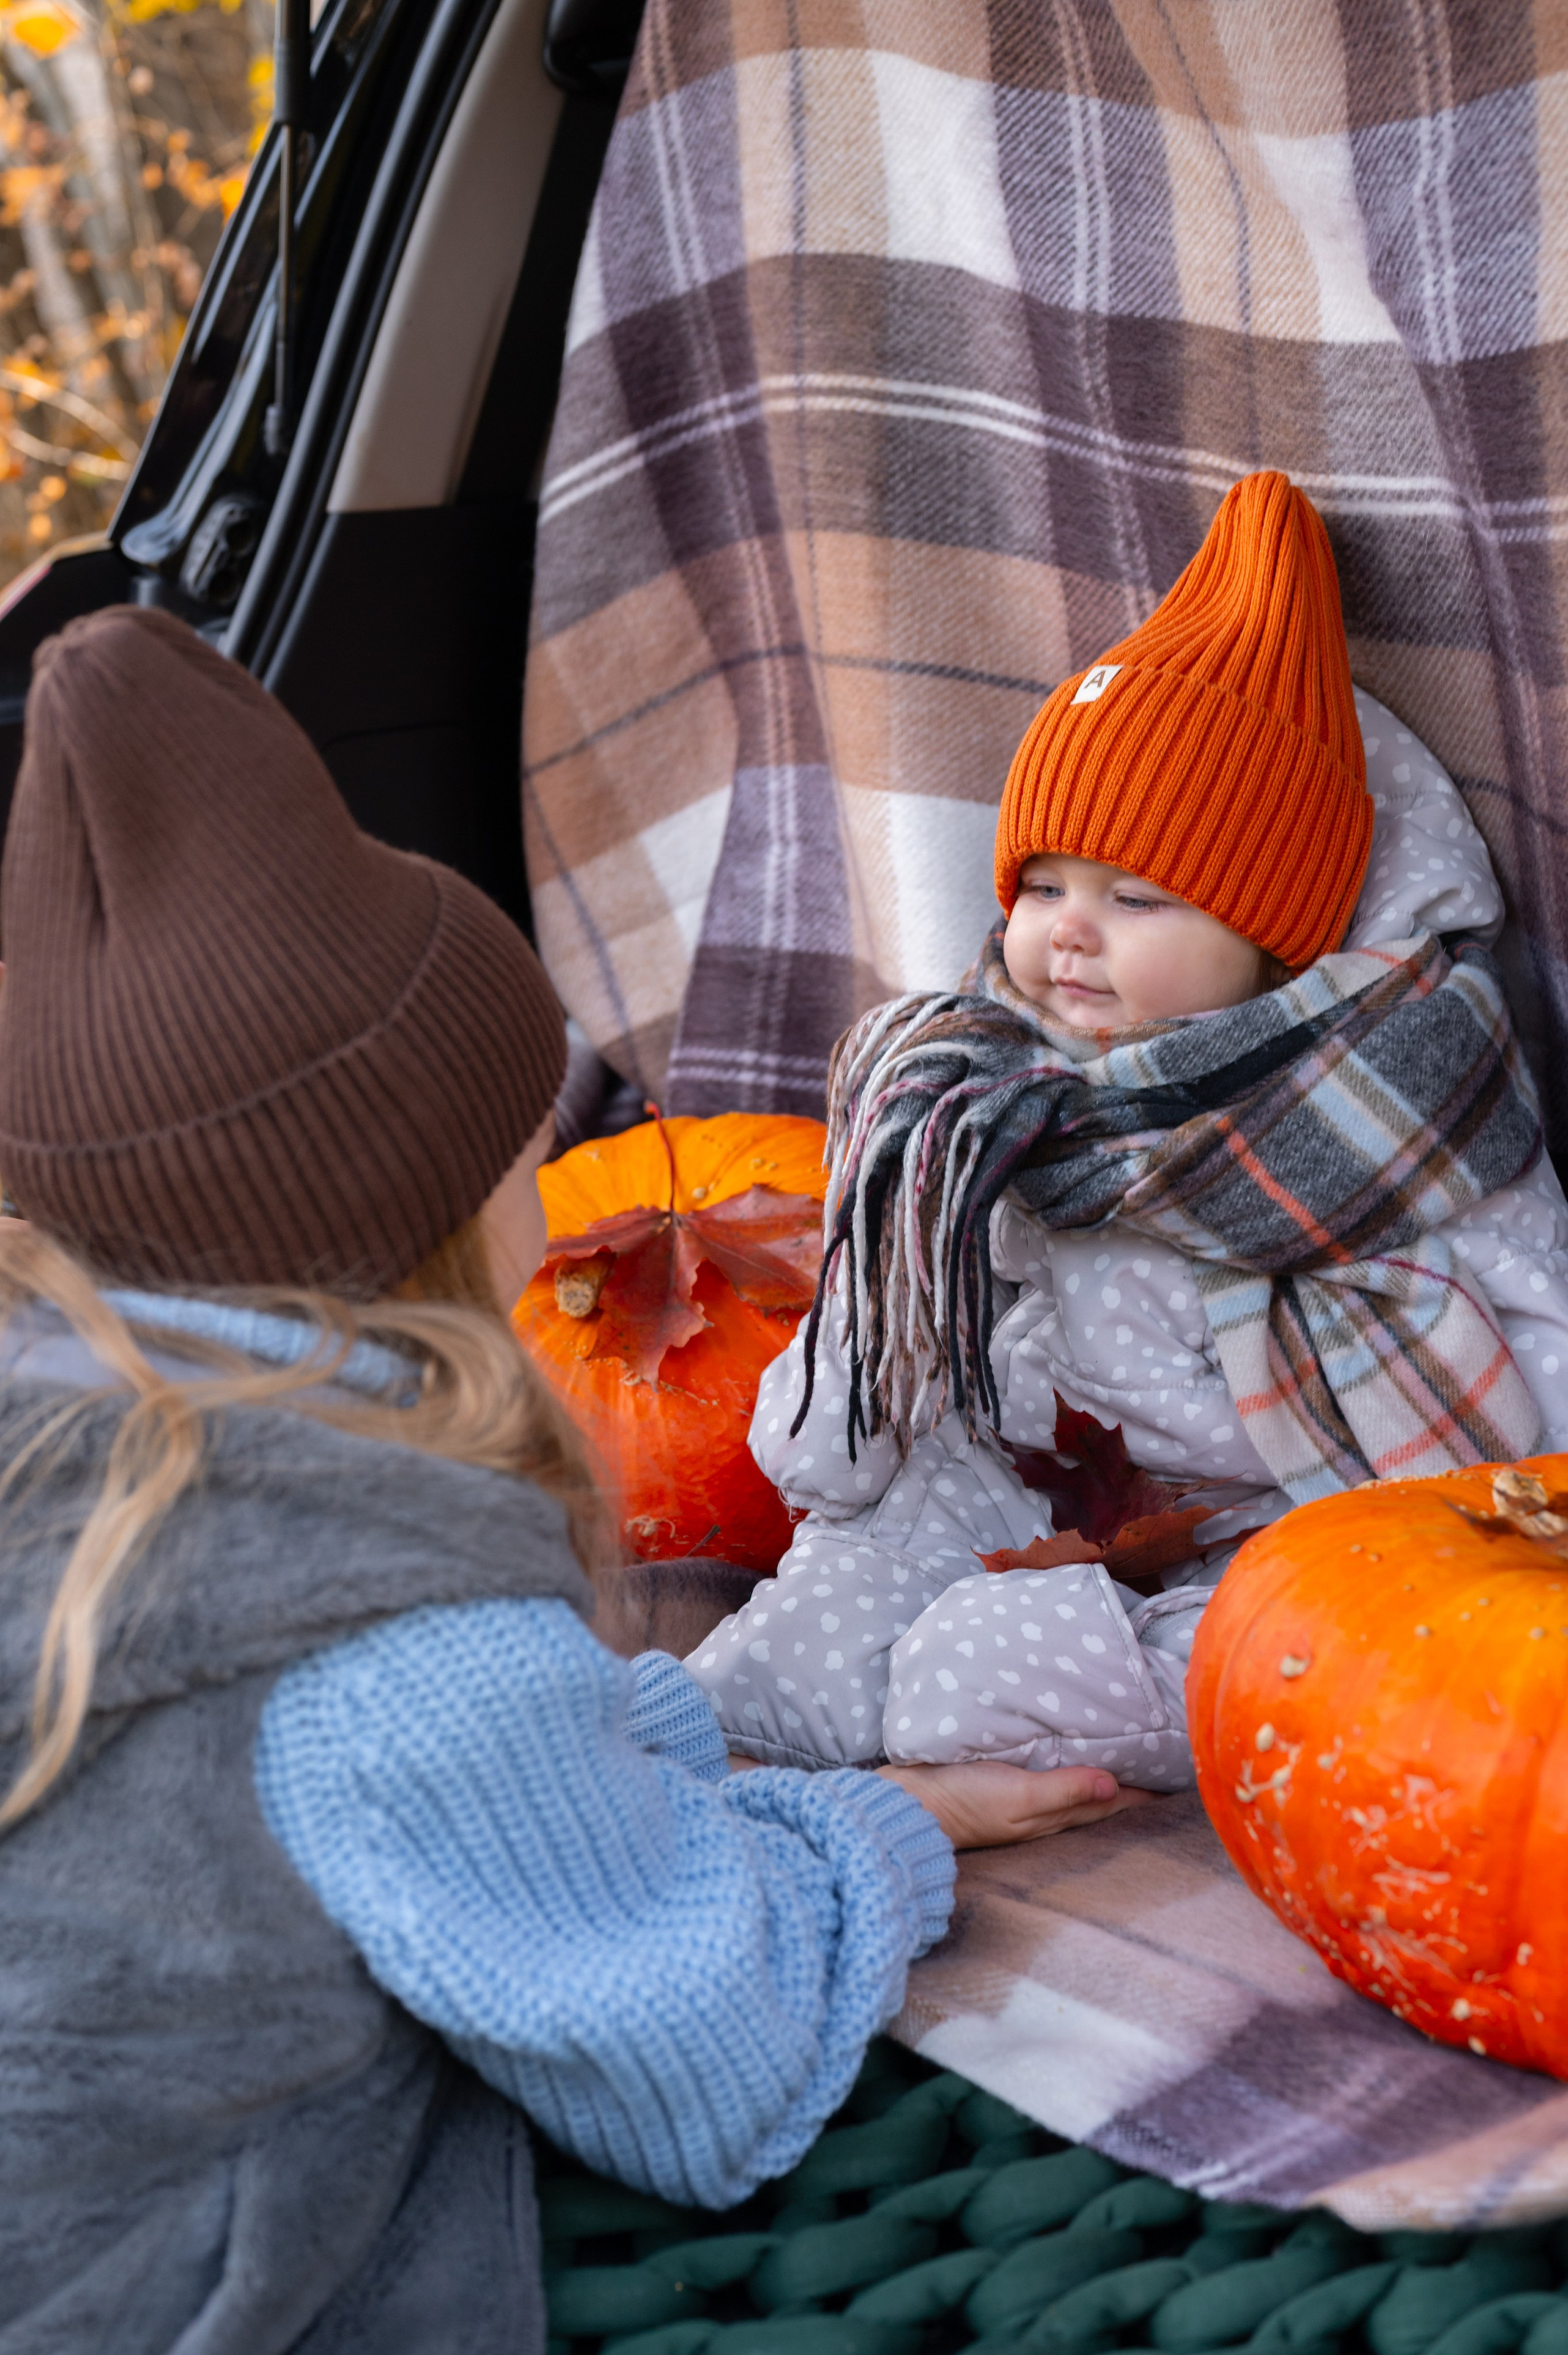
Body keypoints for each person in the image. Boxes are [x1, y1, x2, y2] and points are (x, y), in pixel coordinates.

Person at [0, 607, 1136, 2355]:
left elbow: (314, 1807)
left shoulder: (76, 1456)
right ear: (445, 1209)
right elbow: (698, 2073)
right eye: (532, 1134)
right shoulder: (387, 1631)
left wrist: (668, 1741)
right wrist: (883, 1831)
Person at [688, 471, 1568, 1788]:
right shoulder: (987, 1092)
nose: (1064, 930)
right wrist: (865, 1366)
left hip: (1276, 1532)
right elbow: (933, 1315)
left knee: (980, 1678)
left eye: (1134, 895)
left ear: (1272, 941)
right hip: (1037, 1472)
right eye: (1039, 884)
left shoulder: (1398, 1115)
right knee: (838, 1587)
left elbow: (1525, 1343)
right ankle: (761, 1724)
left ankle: (1028, 1703)